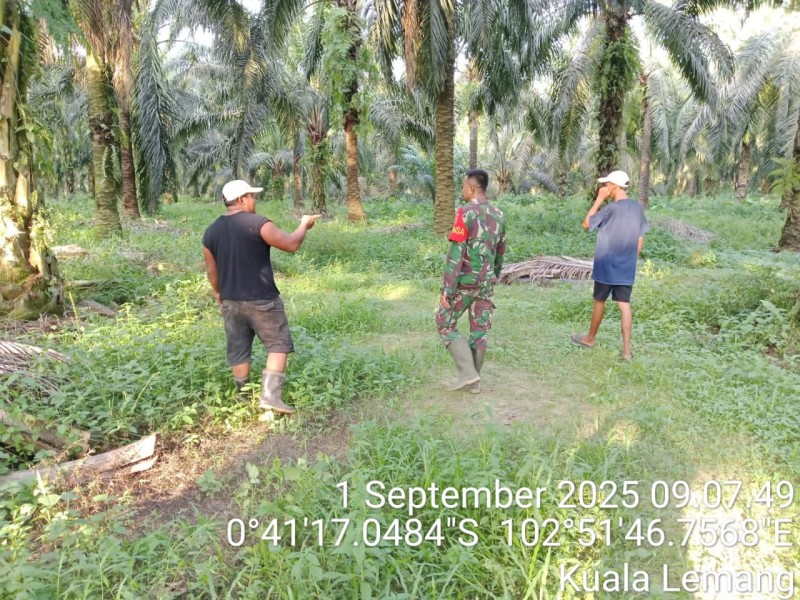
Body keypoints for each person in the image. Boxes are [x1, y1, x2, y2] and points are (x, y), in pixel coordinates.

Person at [202, 179, 319, 418]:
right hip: (262, 299)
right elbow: (290, 244)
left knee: (238, 348)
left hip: (231, 301)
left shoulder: (211, 232)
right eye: (252, 196)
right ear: (242, 199)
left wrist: (218, 293)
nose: (255, 201)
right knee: (278, 345)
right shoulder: (258, 223)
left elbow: (211, 271)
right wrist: (303, 225)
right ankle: (270, 397)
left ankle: (242, 396)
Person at [435, 168, 507, 392]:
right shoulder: (499, 214)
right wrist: (492, 276)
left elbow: (456, 253)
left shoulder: (465, 213)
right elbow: (500, 252)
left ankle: (467, 373)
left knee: (444, 321)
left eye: (464, 186)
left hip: (465, 282)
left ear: (472, 188)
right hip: (486, 282)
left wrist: (447, 289)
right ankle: (474, 383)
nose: (462, 190)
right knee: (479, 330)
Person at [571, 170, 649, 360]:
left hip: (606, 264)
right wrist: (629, 259)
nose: (604, 188)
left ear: (614, 186)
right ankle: (627, 352)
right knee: (624, 305)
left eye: (606, 185)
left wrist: (598, 199)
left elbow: (586, 224)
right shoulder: (637, 209)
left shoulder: (610, 208)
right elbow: (640, 241)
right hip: (626, 266)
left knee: (599, 301)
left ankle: (590, 339)